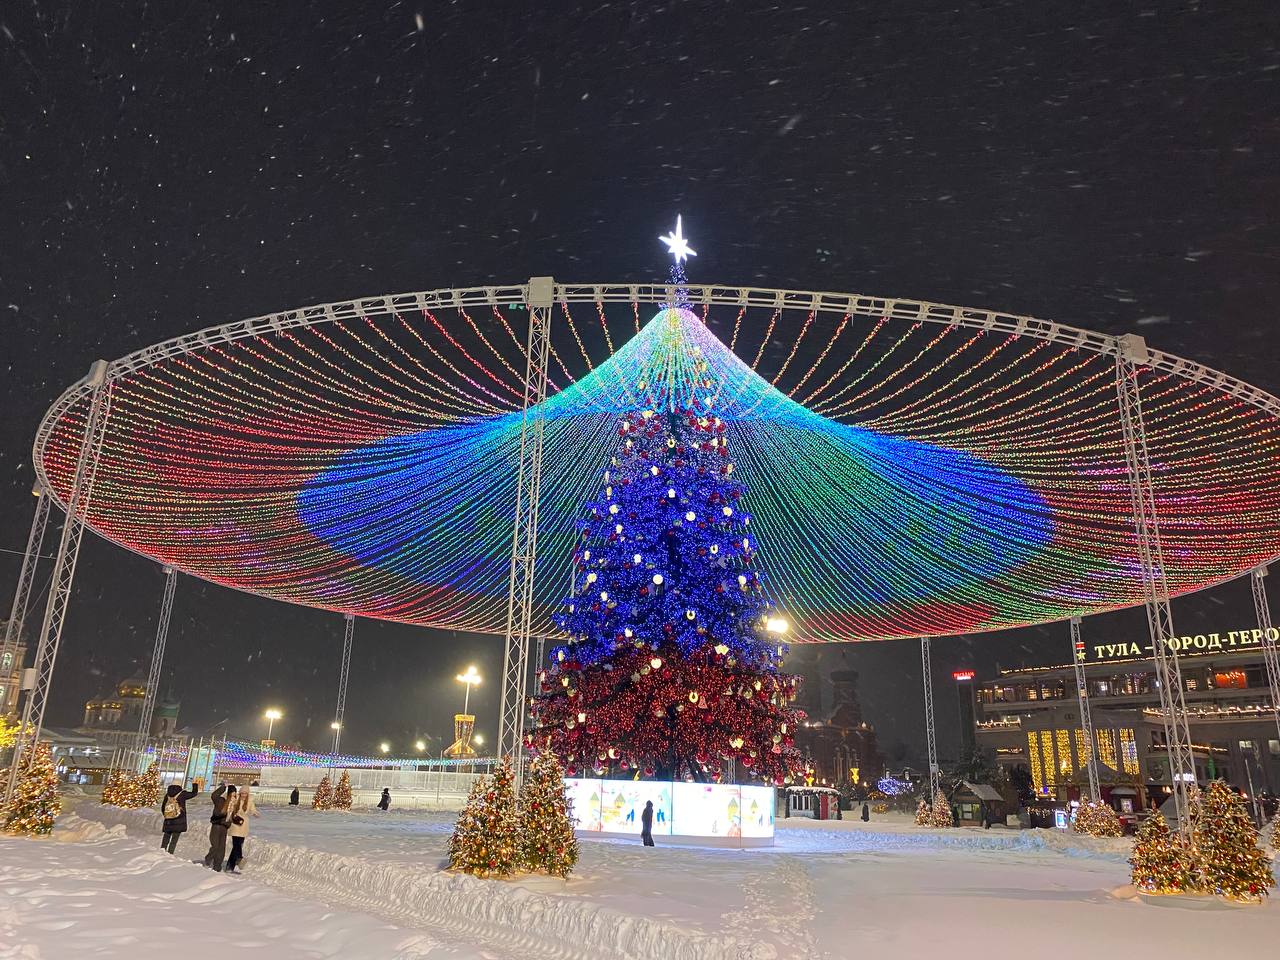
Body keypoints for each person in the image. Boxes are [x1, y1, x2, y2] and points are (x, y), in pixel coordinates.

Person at [159, 781, 200, 854]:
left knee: (166, 837)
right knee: (174, 839)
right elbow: (194, 794)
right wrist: (195, 785)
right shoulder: (182, 794)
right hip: (179, 820)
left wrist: (168, 815)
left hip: (168, 821)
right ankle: (170, 853)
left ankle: (162, 851)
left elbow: (163, 807)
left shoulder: (167, 795)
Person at [226, 785, 259, 873]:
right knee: (236, 844)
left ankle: (230, 866)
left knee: (238, 845)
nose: (244, 795)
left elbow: (252, 810)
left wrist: (255, 813)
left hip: (243, 825)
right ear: (240, 793)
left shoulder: (250, 801)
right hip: (235, 825)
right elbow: (230, 809)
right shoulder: (236, 800)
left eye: (245, 793)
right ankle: (239, 859)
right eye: (242, 793)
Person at [204, 783, 236, 871]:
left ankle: (217, 866)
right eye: (232, 794)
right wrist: (223, 787)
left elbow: (233, 817)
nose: (233, 797)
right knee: (216, 846)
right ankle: (209, 859)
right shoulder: (221, 801)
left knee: (221, 848)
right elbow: (214, 795)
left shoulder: (233, 805)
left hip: (224, 828)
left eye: (235, 795)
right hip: (217, 826)